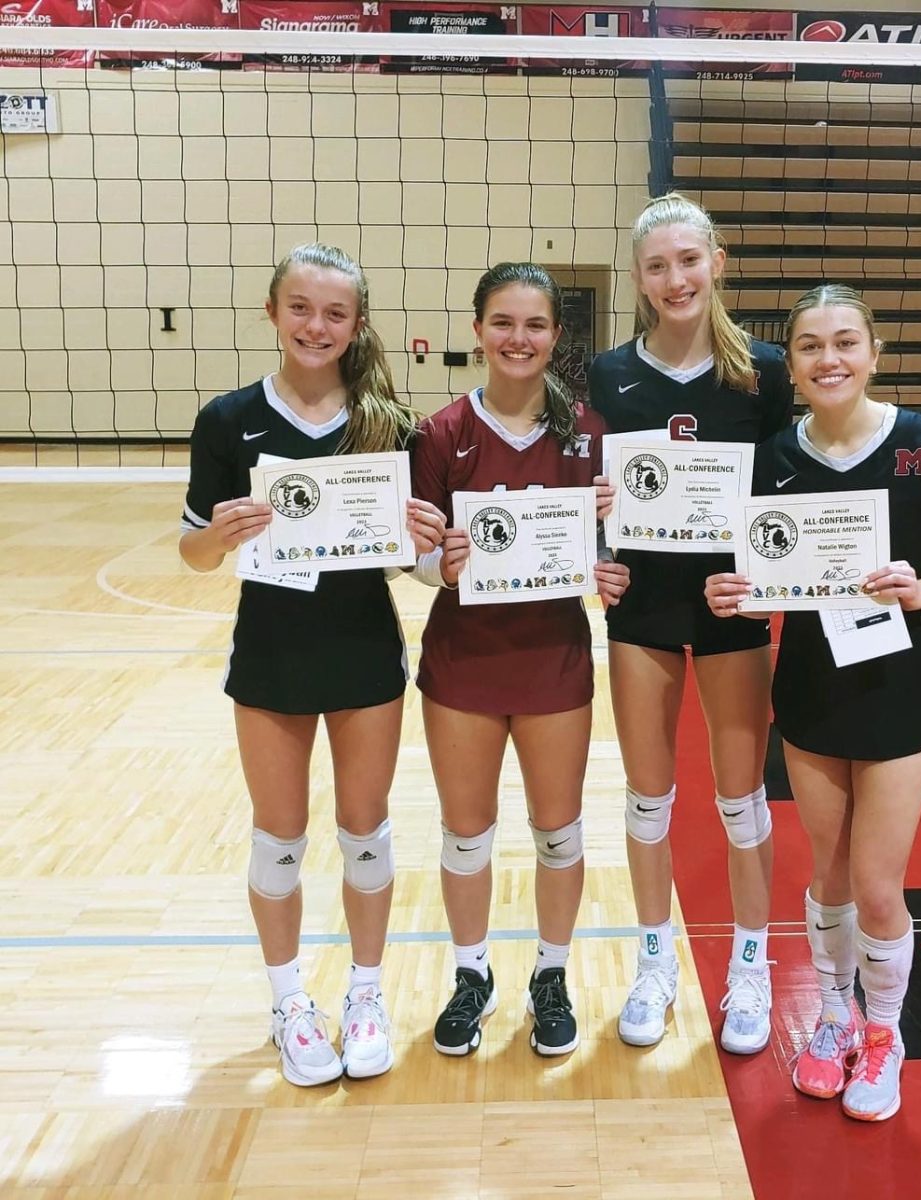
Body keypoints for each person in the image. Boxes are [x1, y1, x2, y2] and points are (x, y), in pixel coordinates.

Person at [704, 284, 921, 1119]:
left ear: (873, 353)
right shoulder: (771, 458)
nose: (828, 359)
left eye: (844, 343)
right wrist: (739, 595)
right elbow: (759, 577)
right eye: (808, 346)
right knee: (827, 877)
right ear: (789, 364)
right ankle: (832, 1018)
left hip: (902, 688)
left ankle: (884, 1033)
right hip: (810, 688)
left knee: (876, 886)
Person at [179, 243, 446, 1086]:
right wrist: (214, 536)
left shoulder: (390, 425)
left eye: (334, 313)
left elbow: (415, 564)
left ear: (356, 324)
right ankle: (290, 1001)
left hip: (366, 652)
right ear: (273, 313)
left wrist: (429, 546)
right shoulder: (228, 421)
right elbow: (191, 554)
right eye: (301, 308)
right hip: (270, 657)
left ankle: (366, 995)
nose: (316, 326)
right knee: (279, 840)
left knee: (365, 832)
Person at [588, 193, 794, 1054]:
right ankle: (653, 959)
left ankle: (752, 965)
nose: (676, 278)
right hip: (640, 605)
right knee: (647, 801)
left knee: (742, 800)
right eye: (658, 265)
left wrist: (770, 579)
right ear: (638, 279)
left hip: (729, 607)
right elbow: (592, 487)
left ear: (717, 262)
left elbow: (790, 489)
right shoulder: (607, 373)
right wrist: (594, 537)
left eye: (689, 259)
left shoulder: (766, 370)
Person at [410, 262, 629, 1058]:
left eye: (534, 325)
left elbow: (605, 551)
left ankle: (552, 974)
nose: (518, 338)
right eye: (502, 322)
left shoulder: (589, 433)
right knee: (466, 835)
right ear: (478, 331)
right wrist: (444, 564)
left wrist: (610, 572)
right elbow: (415, 558)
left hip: (554, 660)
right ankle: (471, 976)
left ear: (555, 337)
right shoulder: (438, 434)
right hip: (463, 663)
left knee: (558, 832)